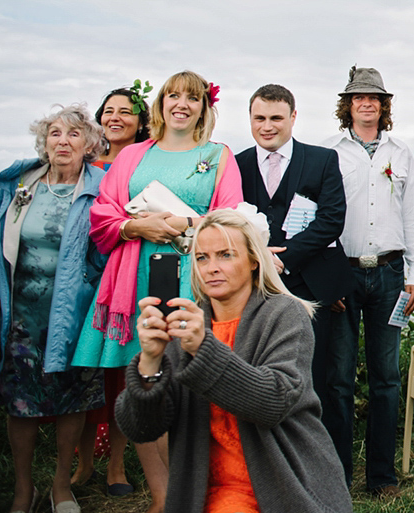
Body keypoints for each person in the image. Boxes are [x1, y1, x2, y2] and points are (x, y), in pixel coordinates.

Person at [73, 70, 243, 513]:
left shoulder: (219, 155)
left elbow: (232, 218)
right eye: (173, 96)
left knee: (190, 381)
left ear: (204, 108)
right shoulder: (132, 155)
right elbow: (102, 215)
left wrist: (185, 223)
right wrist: (136, 225)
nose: (181, 104)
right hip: (136, 276)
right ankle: (162, 495)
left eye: (192, 98)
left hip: (195, 274)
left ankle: (199, 488)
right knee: (143, 379)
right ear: (161, 105)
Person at [115, 207, 353, 513]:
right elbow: (142, 429)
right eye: (202, 257)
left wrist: (203, 349)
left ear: (254, 260)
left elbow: (274, 401)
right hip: (204, 493)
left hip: (283, 488)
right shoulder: (188, 325)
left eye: (226, 255)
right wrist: (149, 361)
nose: (212, 267)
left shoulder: (284, 314)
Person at [0, 104, 107, 513]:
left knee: (71, 397)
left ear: (88, 144)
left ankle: (60, 488)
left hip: (74, 312)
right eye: (55, 133)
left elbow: (110, 246)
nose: (63, 141)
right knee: (20, 402)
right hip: (21, 313)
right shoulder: (19, 183)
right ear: (44, 142)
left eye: (73, 134)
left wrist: (93, 286)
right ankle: (23, 490)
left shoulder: (102, 188)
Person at [324, 65, 414, 496]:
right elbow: (320, 219)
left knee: (387, 379)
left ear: (384, 106)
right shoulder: (328, 152)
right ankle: (337, 477)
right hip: (343, 275)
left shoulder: (400, 153)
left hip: (389, 276)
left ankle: (382, 478)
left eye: (374, 98)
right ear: (347, 105)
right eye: (358, 97)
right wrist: (326, 282)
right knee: (338, 380)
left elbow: (412, 216)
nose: (366, 104)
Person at [234, 83, 349, 437]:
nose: (267, 126)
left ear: (293, 117)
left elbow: (332, 219)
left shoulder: (321, 159)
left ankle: (328, 471)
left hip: (309, 286)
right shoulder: (235, 165)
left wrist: (285, 259)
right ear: (250, 119)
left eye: (276, 118)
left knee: (318, 377)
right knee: (255, 373)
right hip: (250, 287)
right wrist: (258, 259)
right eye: (259, 118)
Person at [74, 83, 153, 495]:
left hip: (128, 275)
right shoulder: (86, 165)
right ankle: (83, 461)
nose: (115, 117)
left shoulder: (147, 163)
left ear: (142, 120)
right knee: (87, 372)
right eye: (109, 110)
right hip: (85, 280)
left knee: (122, 372)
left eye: (126, 110)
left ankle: (117, 465)